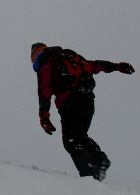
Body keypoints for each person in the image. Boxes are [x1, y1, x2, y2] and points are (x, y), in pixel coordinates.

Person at [30, 43, 134, 181]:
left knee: (71, 140)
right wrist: (116, 66)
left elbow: (45, 89)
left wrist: (44, 115)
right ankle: (98, 163)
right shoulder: (70, 57)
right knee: (79, 136)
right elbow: (93, 65)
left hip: (69, 101)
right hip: (88, 100)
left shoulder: (45, 62)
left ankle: (89, 176)